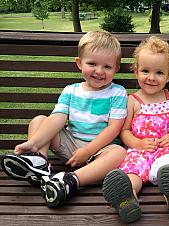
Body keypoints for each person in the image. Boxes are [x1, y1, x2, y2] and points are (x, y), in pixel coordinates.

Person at [0, 31, 128, 207]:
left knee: (119, 153)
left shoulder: (117, 92)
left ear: (116, 69)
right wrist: (35, 142)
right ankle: (39, 163)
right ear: (79, 63)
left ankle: (70, 181)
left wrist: (89, 151)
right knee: (39, 120)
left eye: (107, 67)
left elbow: (114, 128)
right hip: (70, 144)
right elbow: (57, 119)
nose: (99, 71)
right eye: (92, 64)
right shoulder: (71, 90)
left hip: (100, 151)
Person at [102, 36, 169, 224]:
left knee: (168, 169)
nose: (151, 77)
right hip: (139, 151)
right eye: (145, 71)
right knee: (133, 173)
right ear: (136, 71)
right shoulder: (132, 100)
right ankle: (126, 198)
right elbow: (124, 131)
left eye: (159, 73)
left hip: (166, 150)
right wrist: (137, 143)